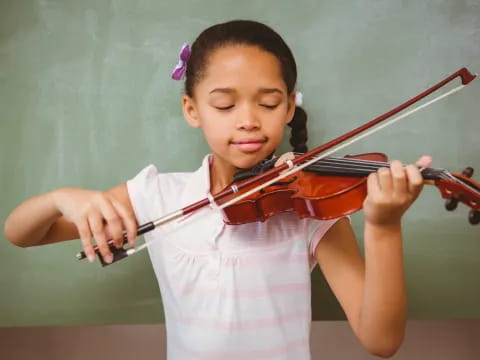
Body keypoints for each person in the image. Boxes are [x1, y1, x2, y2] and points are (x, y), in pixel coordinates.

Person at [4, 20, 431, 359]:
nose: (247, 119)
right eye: (225, 105)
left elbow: (381, 340)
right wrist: (64, 198)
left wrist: (384, 226)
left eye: (267, 103)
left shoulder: (307, 208)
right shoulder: (159, 196)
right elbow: (22, 233)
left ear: (287, 109)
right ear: (192, 109)